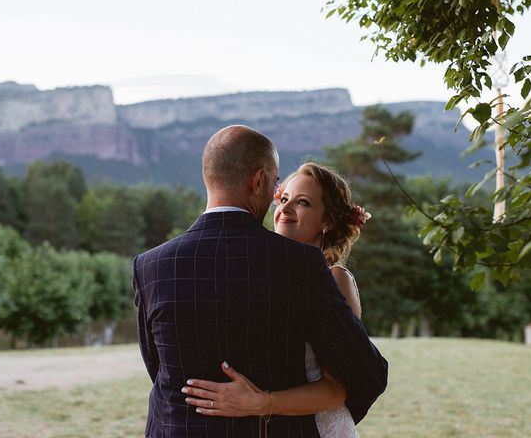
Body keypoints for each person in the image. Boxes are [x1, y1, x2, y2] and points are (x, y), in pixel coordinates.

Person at [132, 126, 388, 437]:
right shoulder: (301, 264)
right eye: (277, 186)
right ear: (258, 181)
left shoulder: (150, 266)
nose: (278, 203)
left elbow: (158, 369)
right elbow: (364, 370)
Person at [182, 162, 371, 437]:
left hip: (317, 426)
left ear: (327, 220)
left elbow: (339, 387)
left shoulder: (335, 278)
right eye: (283, 199)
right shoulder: (264, 273)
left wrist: (261, 403)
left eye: (303, 202)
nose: (285, 209)